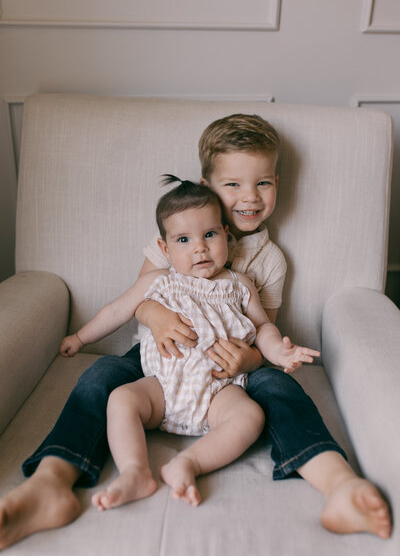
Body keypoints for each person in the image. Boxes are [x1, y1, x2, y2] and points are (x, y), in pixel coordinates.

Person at [0, 115, 391, 549]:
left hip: (233, 364)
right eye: (233, 185)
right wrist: (154, 317)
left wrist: (258, 358)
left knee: (279, 390)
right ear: (207, 183)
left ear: (276, 183)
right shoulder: (177, 230)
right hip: (160, 355)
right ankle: (54, 481)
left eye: (262, 184)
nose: (249, 197)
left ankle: (336, 483)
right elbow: (140, 298)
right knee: (101, 377)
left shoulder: (268, 261)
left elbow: (265, 327)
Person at [60, 177, 318, 510]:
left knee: (250, 416)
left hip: (220, 391)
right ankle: (136, 472)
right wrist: (80, 337)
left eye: (209, 234)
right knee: (122, 399)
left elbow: (263, 326)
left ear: (227, 234)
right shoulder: (159, 281)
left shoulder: (240, 285)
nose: (200, 247)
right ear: (165, 249)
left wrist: (280, 351)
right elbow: (117, 311)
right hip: (161, 389)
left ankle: (189, 463)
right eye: (184, 239)